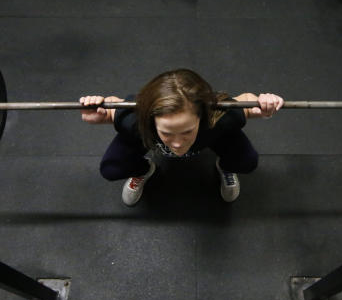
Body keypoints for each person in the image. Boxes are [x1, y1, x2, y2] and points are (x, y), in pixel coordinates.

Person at [80, 69, 284, 206]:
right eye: (167, 133)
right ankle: (144, 170)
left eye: (187, 131)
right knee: (112, 168)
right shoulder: (136, 121)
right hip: (146, 136)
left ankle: (225, 168)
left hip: (212, 135)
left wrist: (263, 104)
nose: (177, 143)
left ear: (203, 116)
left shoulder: (219, 118)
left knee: (247, 161)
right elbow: (109, 109)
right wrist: (96, 113)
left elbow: (247, 102)